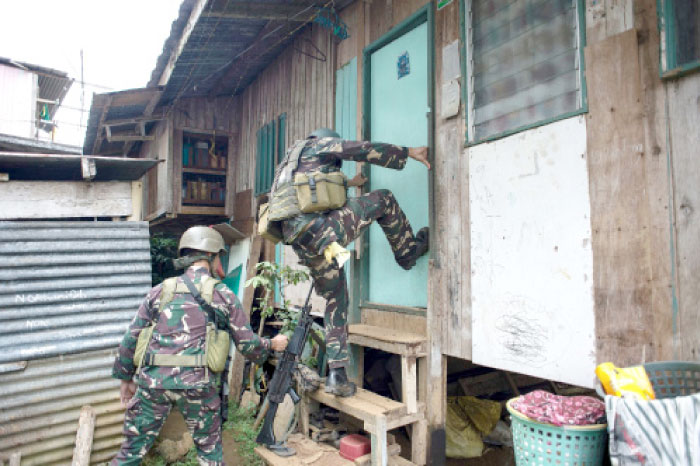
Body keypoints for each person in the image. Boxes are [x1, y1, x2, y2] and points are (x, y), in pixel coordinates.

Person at [271, 128, 430, 397]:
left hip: (303, 242)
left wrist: (351, 184)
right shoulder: (320, 145)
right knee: (384, 199)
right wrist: (407, 152)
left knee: (336, 297)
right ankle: (408, 253)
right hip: (323, 231)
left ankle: (337, 375)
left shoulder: (288, 163)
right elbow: (361, 148)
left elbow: (311, 192)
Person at [111, 226, 288, 465]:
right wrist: (272, 344)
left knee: (130, 453)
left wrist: (125, 378)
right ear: (212, 256)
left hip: (155, 382)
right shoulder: (222, 294)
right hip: (199, 386)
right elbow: (248, 345)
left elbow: (131, 337)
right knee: (209, 455)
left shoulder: (159, 291)